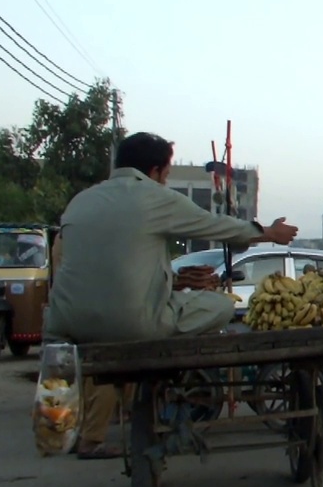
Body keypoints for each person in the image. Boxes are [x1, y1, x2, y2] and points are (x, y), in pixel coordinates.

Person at [47, 132, 298, 459]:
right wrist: (267, 233)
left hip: (67, 327)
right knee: (222, 305)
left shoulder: (80, 201)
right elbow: (213, 225)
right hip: (133, 325)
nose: (164, 182)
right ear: (154, 171)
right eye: (166, 175)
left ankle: (67, 432)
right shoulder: (152, 197)